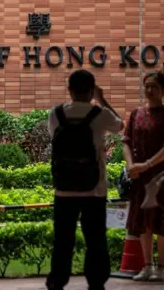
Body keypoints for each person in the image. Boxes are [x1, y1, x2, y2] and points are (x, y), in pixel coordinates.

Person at [46, 70, 125, 290]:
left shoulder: (56, 114)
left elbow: (54, 136)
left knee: (62, 240)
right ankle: (96, 282)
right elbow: (121, 126)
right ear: (91, 91)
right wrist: (102, 99)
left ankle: (57, 281)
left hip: (63, 189)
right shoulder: (100, 114)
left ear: (69, 90)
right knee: (95, 240)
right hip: (94, 190)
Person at [123, 71, 164, 282]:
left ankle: (162, 268)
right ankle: (147, 266)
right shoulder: (136, 113)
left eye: (154, 86)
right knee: (143, 223)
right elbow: (126, 141)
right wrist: (131, 166)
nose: (149, 90)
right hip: (139, 178)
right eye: (146, 86)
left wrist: (146, 165)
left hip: (160, 178)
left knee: (161, 222)